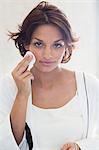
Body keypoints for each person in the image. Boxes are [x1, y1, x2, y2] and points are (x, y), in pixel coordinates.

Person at [0, 1, 99, 150]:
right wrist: (22, 94)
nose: (48, 55)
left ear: (66, 46)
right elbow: (6, 144)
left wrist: (81, 147)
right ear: (27, 44)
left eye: (57, 45)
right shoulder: (8, 85)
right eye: (39, 44)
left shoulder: (88, 85)